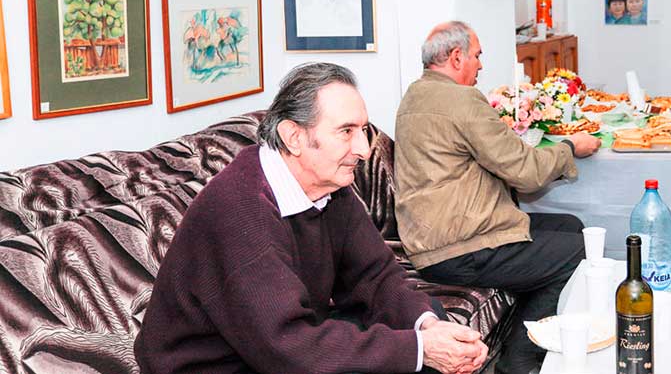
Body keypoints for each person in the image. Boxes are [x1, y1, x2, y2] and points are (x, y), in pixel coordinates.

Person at [135, 63, 488, 374]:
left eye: (363, 130)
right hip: (219, 365)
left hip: (277, 346)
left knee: (429, 318)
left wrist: (427, 328)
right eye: (346, 131)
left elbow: (375, 275)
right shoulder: (240, 213)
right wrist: (420, 349)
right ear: (294, 137)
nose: (364, 150)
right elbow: (289, 349)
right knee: (415, 353)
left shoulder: (328, 187)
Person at [394, 21, 602, 374]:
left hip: (437, 235)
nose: (480, 65)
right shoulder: (461, 99)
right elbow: (526, 171)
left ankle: (528, 336)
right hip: (461, 246)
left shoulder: (415, 96)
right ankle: (519, 359)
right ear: (456, 57)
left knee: (569, 226)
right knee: (579, 250)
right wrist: (570, 147)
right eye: (477, 56)